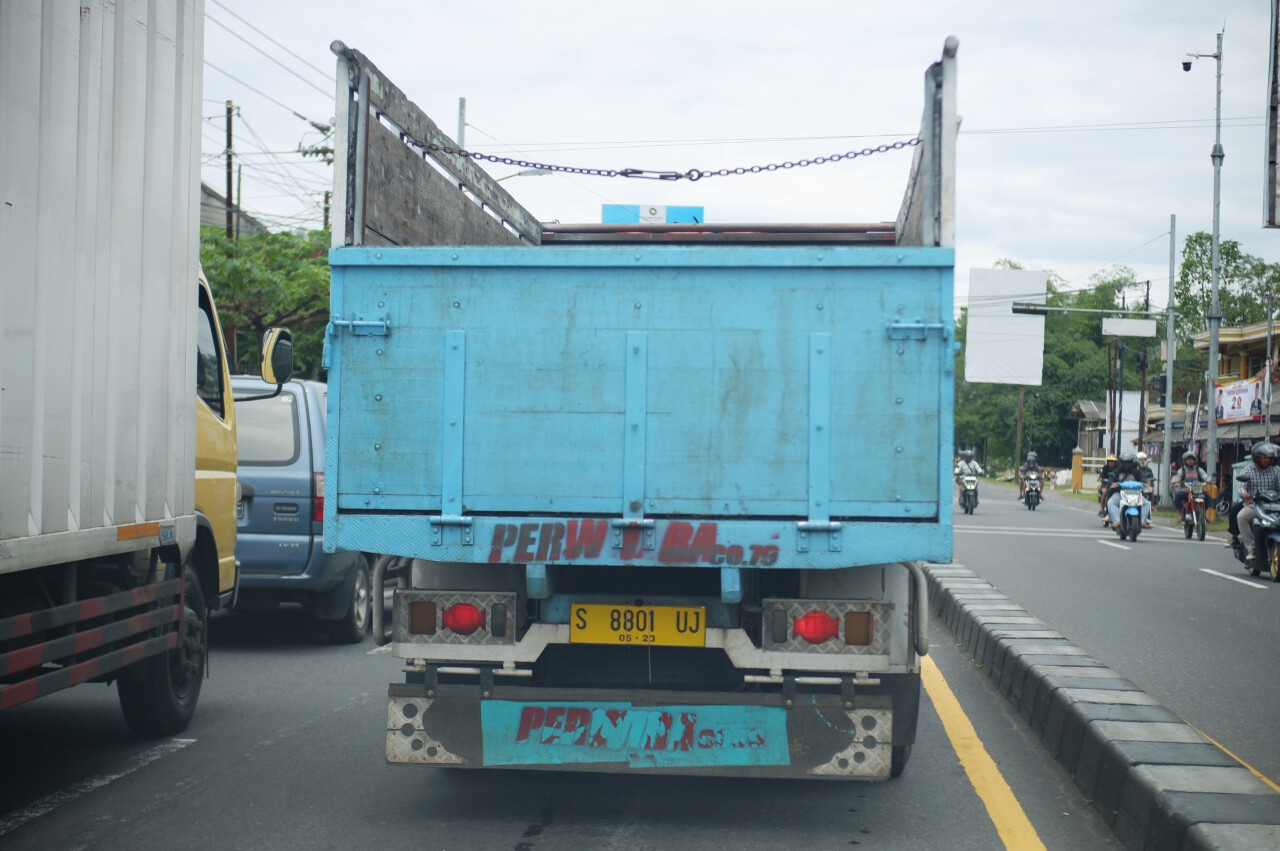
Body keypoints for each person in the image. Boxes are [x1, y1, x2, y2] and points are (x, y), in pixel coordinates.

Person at [1231, 442, 1280, 560]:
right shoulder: (1248, 470)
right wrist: (1245, 495)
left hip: (1274, 505)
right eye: (1264, 457)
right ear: (1256, 457)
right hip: (1255, 505)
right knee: (1241, 517)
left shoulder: (1276, 470)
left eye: (1269, 457)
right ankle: (1251, 547)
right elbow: (1241, 486)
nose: (1267, 460)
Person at [1105, 452, 1152, 530]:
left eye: (1128, 462)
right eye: (1124, 462)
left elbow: (1142, 478)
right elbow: (1111, 478)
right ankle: (1117, 521)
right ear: (1121, 462)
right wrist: (1113, 483)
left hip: (1136, 493)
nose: (1126, 464)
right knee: (1111, 502)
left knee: (1147, 504)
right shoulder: (1117, 471)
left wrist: (1145, 483)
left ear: (1132, 462)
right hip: (1120, 493)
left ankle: (1142, 521)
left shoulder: (1136, 471)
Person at [1171, 451, 1208, 519]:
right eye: (1188, 459)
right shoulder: (1182, 470)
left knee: (1207, 496)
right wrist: (1175, 481)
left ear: (1194, 460)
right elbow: (1176, 478)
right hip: (1186, 490)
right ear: (1185, 461)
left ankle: (1204, 515)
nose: (1190, 461)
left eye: (1192, 459)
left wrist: (1209, 480)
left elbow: (1205, 476)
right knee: (1178, 496)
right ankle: (1181, 515)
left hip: (1197, 490)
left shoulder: (1198, 469)